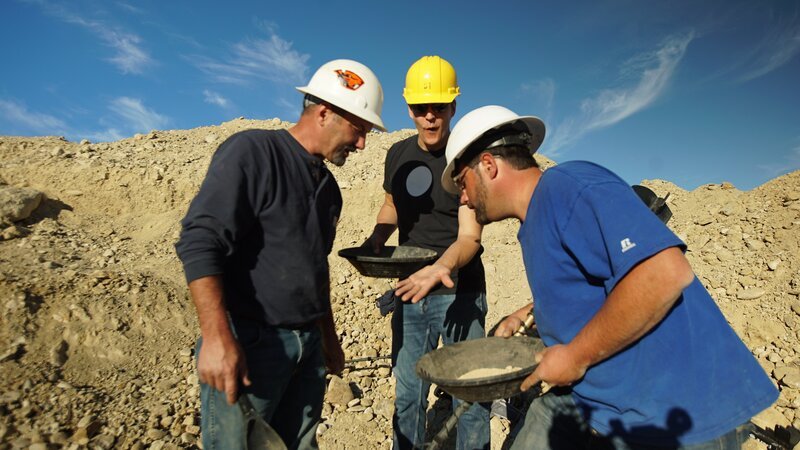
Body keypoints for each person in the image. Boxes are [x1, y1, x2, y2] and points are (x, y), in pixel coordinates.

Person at [441, 105, 778, 449]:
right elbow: (596, 283)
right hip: (600, 398)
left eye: (461, 183)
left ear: (488, 165)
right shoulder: (534, 222)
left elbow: (664, 273)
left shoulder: (569, 188)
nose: (463, 199)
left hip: (675, 410)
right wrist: (528, 313)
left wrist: (574, 357)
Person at [175, 59, 386, 450]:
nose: (361, 144)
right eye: (359, 129)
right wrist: (217, 337)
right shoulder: (254, 152)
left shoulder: (329, 191)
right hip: (251, 345)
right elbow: (200, 240)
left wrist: (330, 339)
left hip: (306, 350)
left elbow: (314, 268)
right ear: (324, 113)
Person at [363, 55, 490, 450]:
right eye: (421, 108)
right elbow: (392, 205)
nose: (430, 117)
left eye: (439, 108)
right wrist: (376, 238)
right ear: (410, 109)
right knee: (407, 395)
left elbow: (470, 237)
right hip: (410, 295)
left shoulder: (466, 157)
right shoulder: (398, 155)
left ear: (454, 106)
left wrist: (438, 269)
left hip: (460, 292)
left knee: (469, 396)